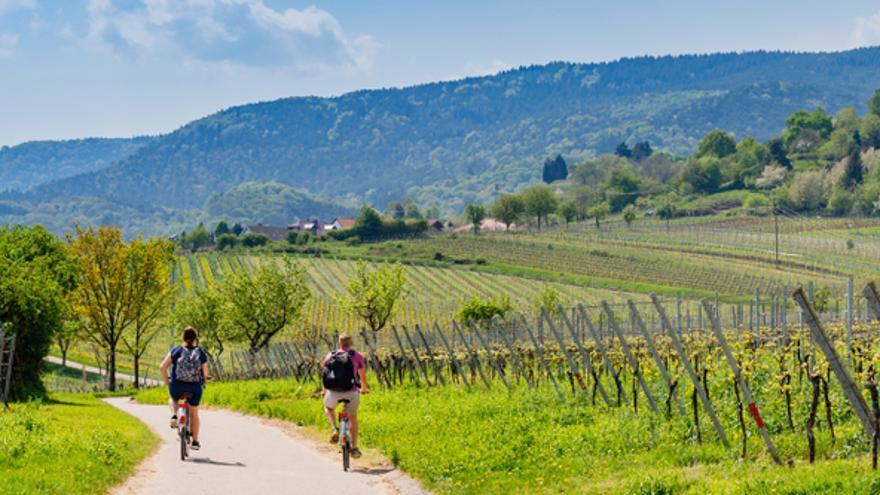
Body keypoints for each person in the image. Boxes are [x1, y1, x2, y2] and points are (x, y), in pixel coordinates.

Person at [160, 326, 209, 451]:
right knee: (194, 413)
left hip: (177, 385)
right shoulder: (200, 352)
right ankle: (196, 441)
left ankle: (174, 416)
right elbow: (205, 373)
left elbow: (162, 367)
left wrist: (167, 382)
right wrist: (204, 380)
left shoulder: (176, 350)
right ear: (195, 338)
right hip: (194, 387)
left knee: (173, 398)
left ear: (183, 337)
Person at [321, 333, 368, 459]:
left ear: (339, 343)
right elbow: (362, 375)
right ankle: (354, 448)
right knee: (352, 417)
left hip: (333, 392)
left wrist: (324, 390)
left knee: (328, 408)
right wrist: (364, 388)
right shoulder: (357, 356)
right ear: (351, 343)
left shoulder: (330, 355)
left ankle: (334, 429)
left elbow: (325, 373)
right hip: (351, 392)